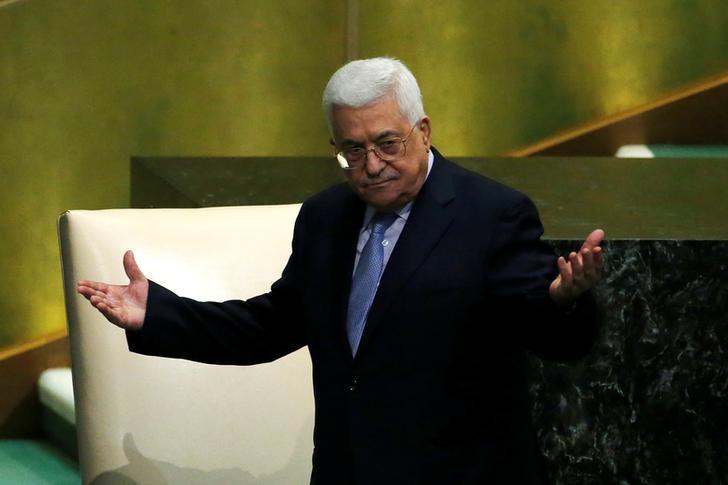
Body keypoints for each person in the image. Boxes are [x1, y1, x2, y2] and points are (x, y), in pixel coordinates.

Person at [78, 57, 604, 485]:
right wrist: (158, 314)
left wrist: (564, 300)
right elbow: (271, 325)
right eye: (353, 150)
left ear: (423, 131)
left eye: (387, 144)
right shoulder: (325, 218)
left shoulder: (490, 214)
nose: (371, 165)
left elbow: (548, 332)